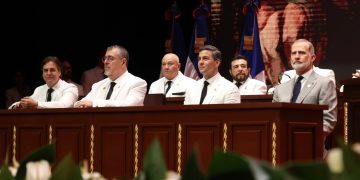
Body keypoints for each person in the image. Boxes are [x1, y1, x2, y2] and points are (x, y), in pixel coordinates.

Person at [272, 39, 337, 144]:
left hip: (310, 145)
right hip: (282, 145)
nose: (297, 56)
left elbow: (329, 119)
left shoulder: (324, 83)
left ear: (313, 58)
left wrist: (306, 138)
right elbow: (274, 118)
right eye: (293, 53)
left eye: (301, 53)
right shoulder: (280, 88)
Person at [74, 45, 147, 108]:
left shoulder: (137, 83)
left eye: (110, 58)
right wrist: (79, 104)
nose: (105, 62)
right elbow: (82, 102)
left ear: (123, 62)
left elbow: (131, 104)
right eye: (105, 58)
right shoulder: (97, 85)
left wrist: (94, 103)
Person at [9, 56, 78, 109]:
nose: (48, 73)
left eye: (52, 70)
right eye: (45, 70)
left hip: (63, 125)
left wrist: (37, 104)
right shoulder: (39, 89)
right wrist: (19, 105)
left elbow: (64, 105)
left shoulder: (70, 88)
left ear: (59, 72)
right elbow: (27, 103)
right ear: (42, 73)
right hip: (42, 126)